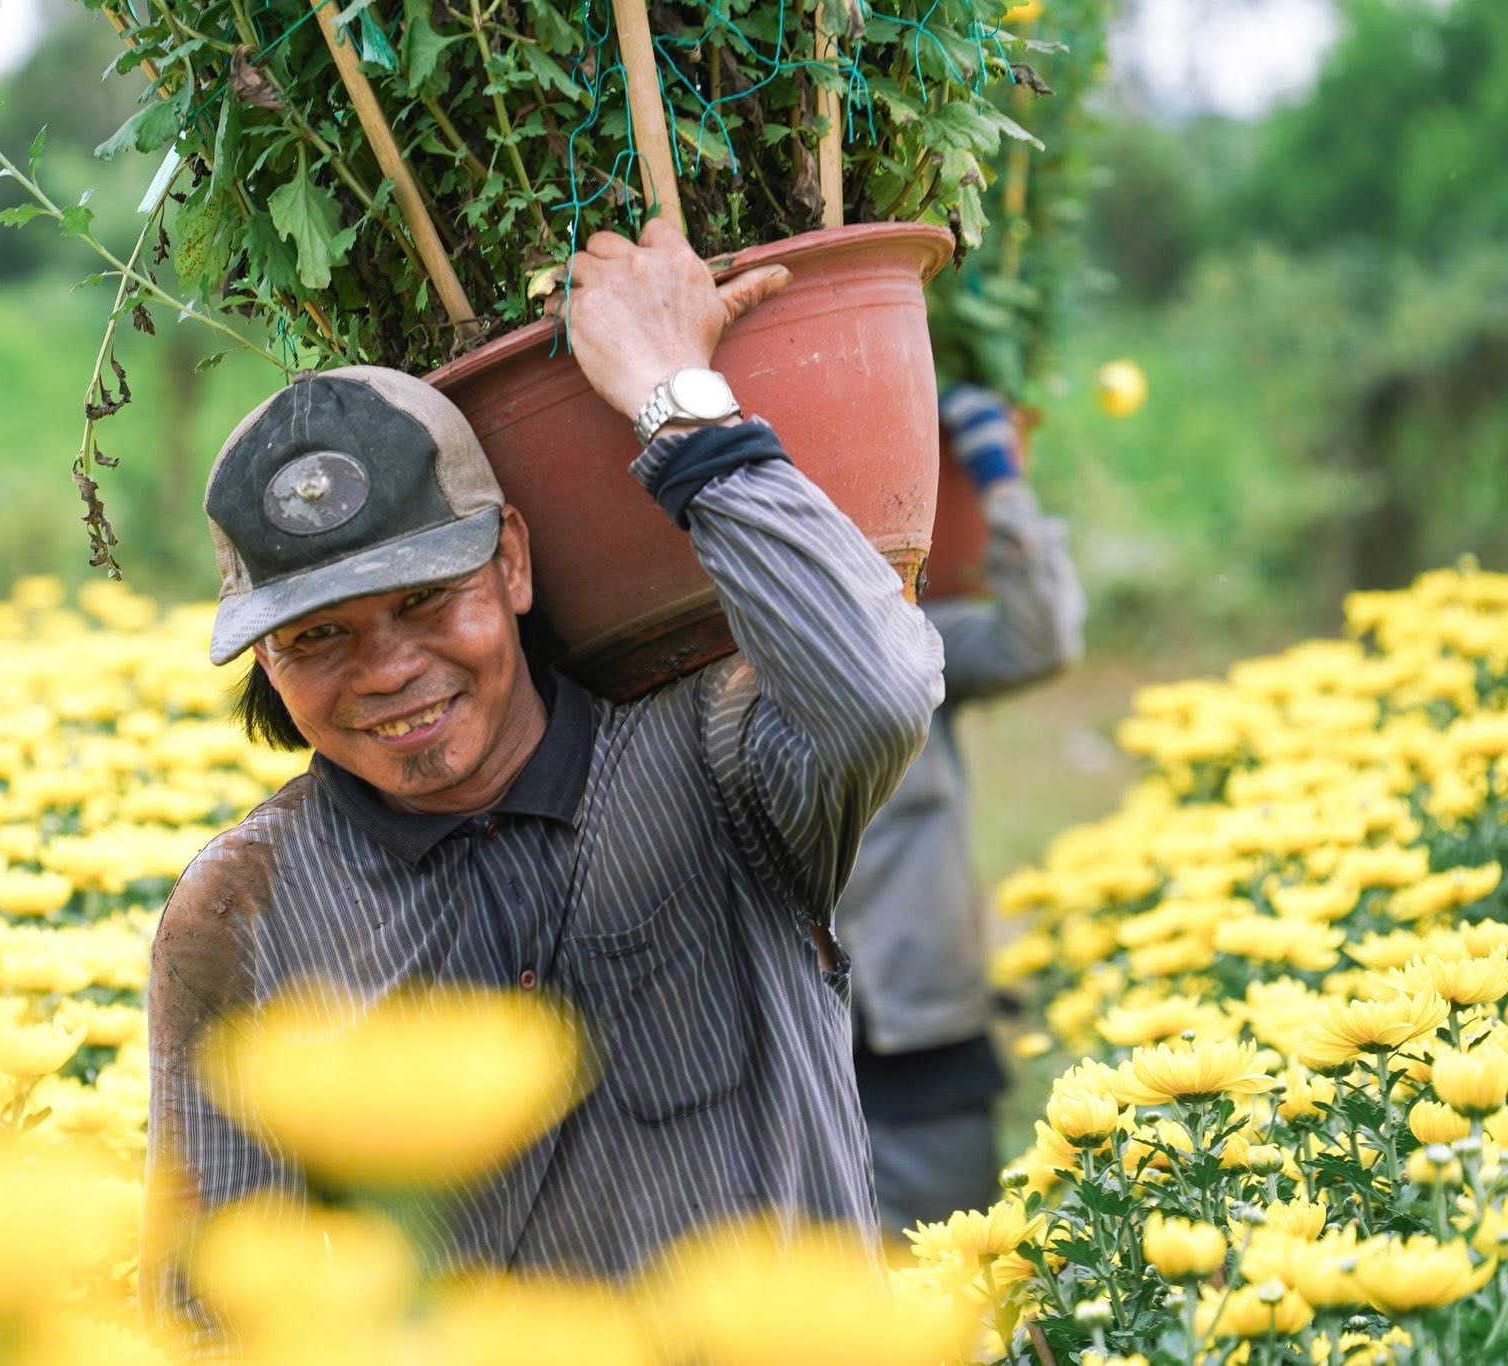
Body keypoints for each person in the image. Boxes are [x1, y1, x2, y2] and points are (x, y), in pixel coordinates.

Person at [145, 219, 944, 1289]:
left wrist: (674, 397)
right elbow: (212, 1301)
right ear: (268, 662)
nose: (385, 670)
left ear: (512, 562)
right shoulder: (246, 908)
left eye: (426, 600)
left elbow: (883, 686)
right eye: (317, 635)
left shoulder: (715, 761)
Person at [836, 384, 1086, 1235]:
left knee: (959, 1304)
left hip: (921, 1037)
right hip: (777, 1061)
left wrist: (997, 477)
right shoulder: (699, 680)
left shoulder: (908, 647)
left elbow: (1039, 635)